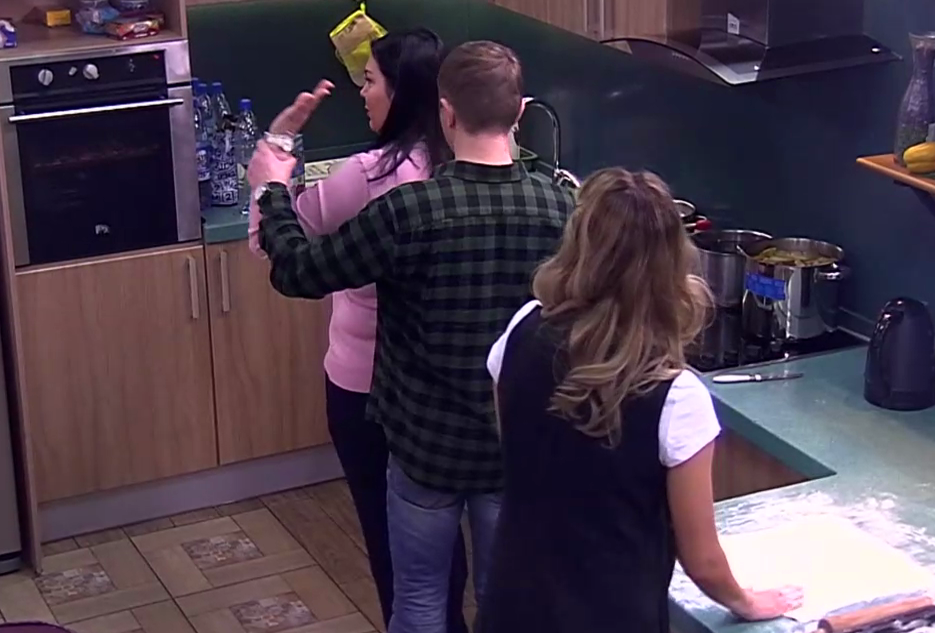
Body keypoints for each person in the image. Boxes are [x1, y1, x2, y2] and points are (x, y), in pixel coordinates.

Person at [247, 41, 576, 633]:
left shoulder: (409, 211)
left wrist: (271, 190)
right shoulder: (562, 209)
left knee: (420, 602)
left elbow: (298, 270)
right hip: (513, 451)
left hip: (424, 451)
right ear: (520, 112)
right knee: (510, 605)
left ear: (446, 112)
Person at [477, 168, 804, 633]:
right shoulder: (677, 399)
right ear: (672, 264)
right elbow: (702, 560)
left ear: (579, 243)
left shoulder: (521, 329)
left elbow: (519, 447)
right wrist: (747, 602)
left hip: (514, 606)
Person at [246, 28, 470, 633]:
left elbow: (278, 242)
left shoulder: (370, 175)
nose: (363, 93)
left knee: (393, 541)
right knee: (443, 534)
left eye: (370, 81)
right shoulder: (462, 168)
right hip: (449, 389)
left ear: (401, 92)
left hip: (366, 392)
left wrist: (273, 159)